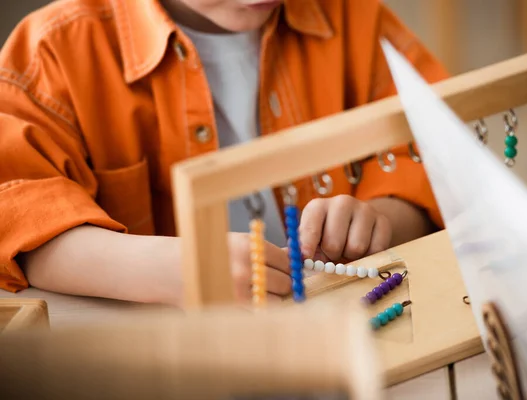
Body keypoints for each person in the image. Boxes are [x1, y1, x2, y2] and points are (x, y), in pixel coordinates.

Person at [0, 0, 448, 307]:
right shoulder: (54, 54)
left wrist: (381, 218)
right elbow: (18, 215)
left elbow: (438, 154)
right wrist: (177, 270)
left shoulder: (353, 17)